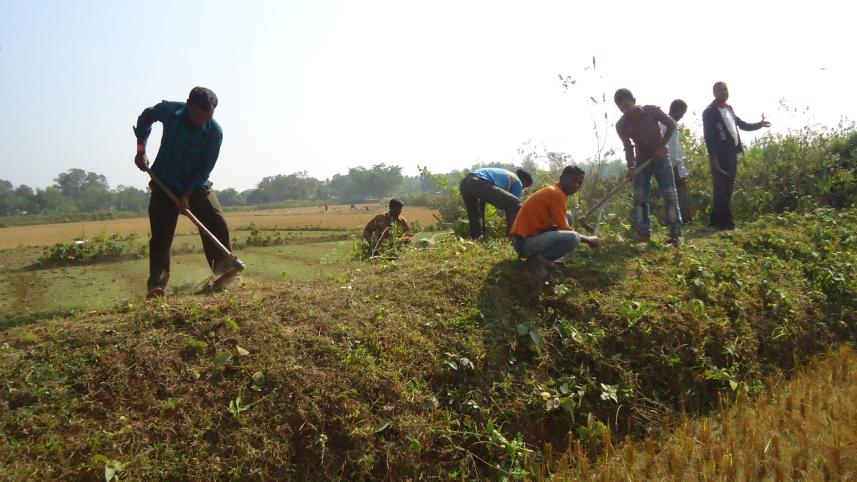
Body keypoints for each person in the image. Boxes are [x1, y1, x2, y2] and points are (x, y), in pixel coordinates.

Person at [133, 86, 231, 299]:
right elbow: (146, 117)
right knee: (161, 238)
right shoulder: (169, 111)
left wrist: (187, 195)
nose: (201, 122)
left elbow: (205, 167)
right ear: (188, 104)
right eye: (197, 115)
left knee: (217, 224)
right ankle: (156, 287)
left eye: (207, 118)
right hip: (164, 183)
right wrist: (141, 150)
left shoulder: (215, 133)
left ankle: (226, 275)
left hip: (196, 187)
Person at [614, 88, 682, 245]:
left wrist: (661, 146)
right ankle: (643, 233)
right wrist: (631, 168)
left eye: (627, 105)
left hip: (661, 159)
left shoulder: (652, 111)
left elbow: (671, 124)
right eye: (621, 108)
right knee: (640, 197)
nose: (626, 110)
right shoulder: (621, 125)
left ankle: (676, 234)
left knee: (669, 195)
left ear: (634, 101)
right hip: (641, 162)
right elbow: (628, 147)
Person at [703, 82, 771, 230]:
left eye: (725, 89)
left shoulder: (729, 109)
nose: (724, 92)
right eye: (720, 90)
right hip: (719, 156)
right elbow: (708, 136)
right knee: (721, 188)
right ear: (714, 93)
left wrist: (759, 124)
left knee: (727, 187)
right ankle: (727, 223)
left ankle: (715, 221)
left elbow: (742, 124)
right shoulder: (709, 111)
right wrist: (712, 158)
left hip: (731, 153)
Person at [510, 166, 599, 276]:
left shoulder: (556, 191)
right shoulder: (556, 194)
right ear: (562, 178)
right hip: (523, 243)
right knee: (574, 238)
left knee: (568, 217)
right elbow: (566, 230)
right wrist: (590, 240)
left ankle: (542, 257)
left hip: (528, 238)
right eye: (573, 180)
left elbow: (561, 224)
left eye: (579, 182)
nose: (576, 185)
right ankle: (537, 262)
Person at [459, 167, 533, 239]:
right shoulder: (517, 181)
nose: (523, 188)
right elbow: (515, 206)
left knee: (474, 214)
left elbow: (481, 204)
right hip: (478, 181)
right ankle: (510, 239)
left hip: (465, 182)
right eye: (525, 186)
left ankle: (477, 238)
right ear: (523, 179)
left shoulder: (504, 176)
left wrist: (483, 226)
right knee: (516, 204)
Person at [661, 99, 692, 224]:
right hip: (671, 164)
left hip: (676, 165)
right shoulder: (665, 125)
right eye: (682, 112)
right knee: (675, 195)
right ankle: (677, 220)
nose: (682, 116)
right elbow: (669, 149)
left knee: (680, 193)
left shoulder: (670, 124)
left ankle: (684, 219)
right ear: (675, 110)